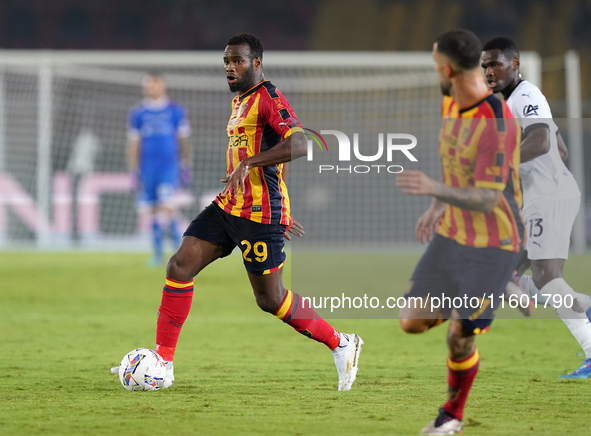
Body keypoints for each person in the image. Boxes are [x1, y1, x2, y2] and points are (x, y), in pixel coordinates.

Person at [114, 33, 363, 391]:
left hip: (260, 216)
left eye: (238, 61)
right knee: (179, 266)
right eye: (227, 61)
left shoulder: (269, 98)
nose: (230, 68)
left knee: (270, 299)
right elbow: (278, 150)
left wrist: (255, 171)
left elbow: (299, 144)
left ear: (257, 63)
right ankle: (164, 362)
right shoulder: (240, 101)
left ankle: (341, 343)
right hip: (229, 205)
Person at [396, 30, 524, 435]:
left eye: (435, 65)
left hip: (493, 243)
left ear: (448, 69)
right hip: (453, 232)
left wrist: (433, 189)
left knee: (459, 336)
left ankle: (451, 417)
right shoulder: (449, 102)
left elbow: (487, 199)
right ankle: (495, 289)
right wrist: (437, 207)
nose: (435, 72)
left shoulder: (498, 121)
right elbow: (455, 163)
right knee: (411, 321)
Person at [482, 37, 591, 379]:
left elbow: (543, 142)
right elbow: (560, 150)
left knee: (545, 278)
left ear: (514, 64)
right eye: (485, 66)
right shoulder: (515, 101)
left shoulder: (524, 95)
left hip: (549, 197)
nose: (489, 71)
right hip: (544, 196)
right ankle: (585, 307)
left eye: (495, 64)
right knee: (503, 273)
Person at [128, 73, 192, 266]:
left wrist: (185, 164)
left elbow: (183, 139)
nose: (152, 88)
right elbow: (133, 143)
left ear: (162, 86)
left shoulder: (175, 111)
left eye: (155, 85)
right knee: (153, 209)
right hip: (147, 167)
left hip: (168, 167)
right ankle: (157, 254)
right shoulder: (138, 113)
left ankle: (177, 253)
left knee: (168, 207)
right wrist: (133, 169)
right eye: (149, 85)